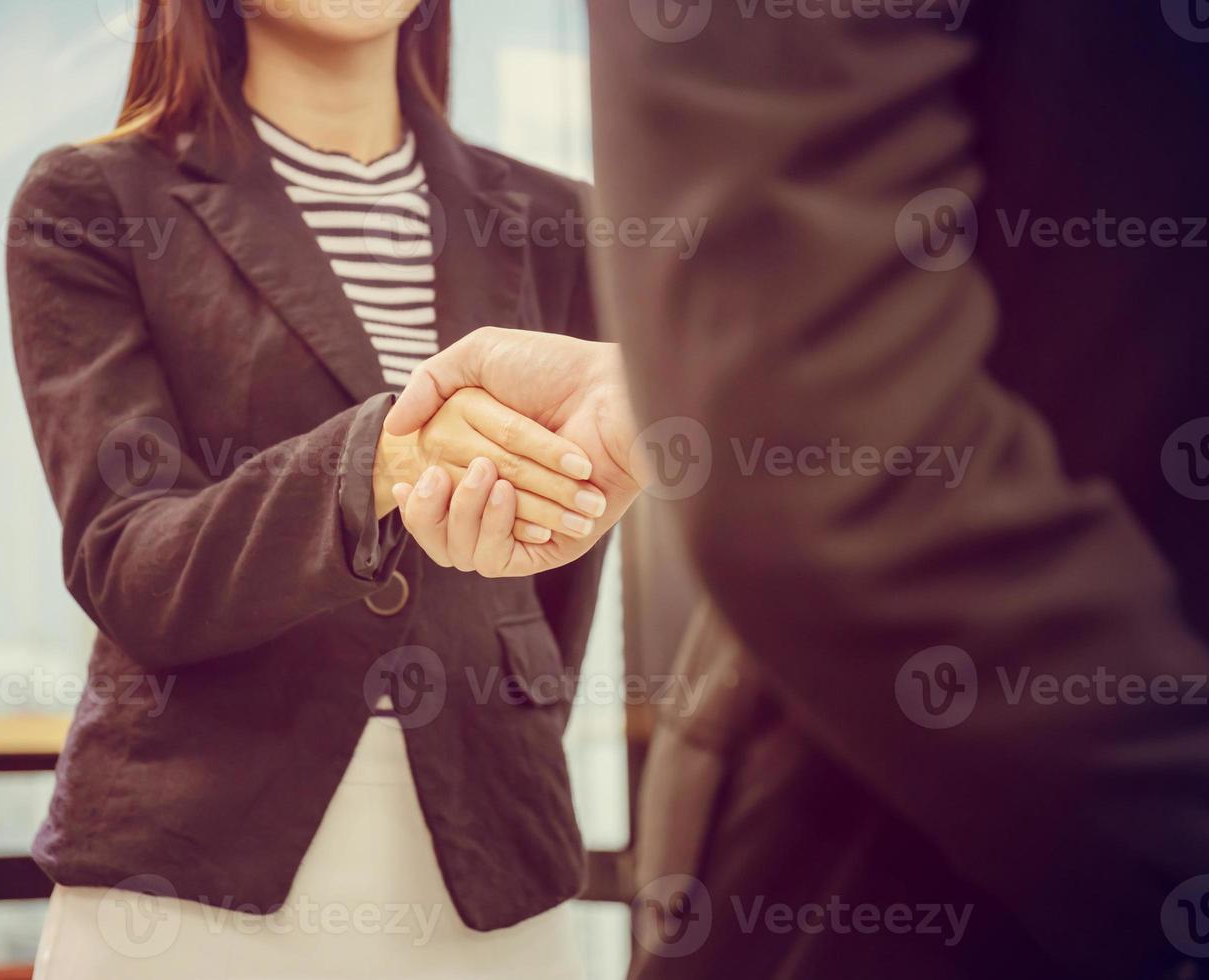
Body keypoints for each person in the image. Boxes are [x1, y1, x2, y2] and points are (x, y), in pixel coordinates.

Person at [383, 3, 1209, 976]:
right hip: (952, 851)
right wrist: (372, 462)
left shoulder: (541, 205)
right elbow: (810, 421)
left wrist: (661, 403)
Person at [5, 1, 616, 975]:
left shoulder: (558, 222)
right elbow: (128, 559)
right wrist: (382, 456)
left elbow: (560, 561)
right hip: (189, 858)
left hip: (490, 845)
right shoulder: (95, 199)